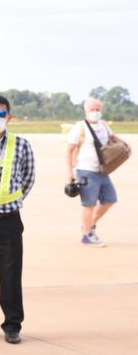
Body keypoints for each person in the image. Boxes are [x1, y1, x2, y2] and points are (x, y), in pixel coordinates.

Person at [0, 95, 35, 345]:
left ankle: (12, 324)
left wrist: (8, 201)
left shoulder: (21, 145)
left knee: (11, 274)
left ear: (9, 117)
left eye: (0, 114)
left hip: (9, 220)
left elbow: (28, 179)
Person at [65, 97, 128, 246]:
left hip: (102, 170)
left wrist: (124, 143)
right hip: (86, 171)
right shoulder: (80, 128)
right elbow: (69, 150)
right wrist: (70, 173)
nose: (95, 112)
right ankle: (86, 236)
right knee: (89, 204)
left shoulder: (104, 125)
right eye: (92, 109)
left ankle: (89, 224)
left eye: (97, 109)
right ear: (86, 110)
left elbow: (112, 137)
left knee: (110, 199)